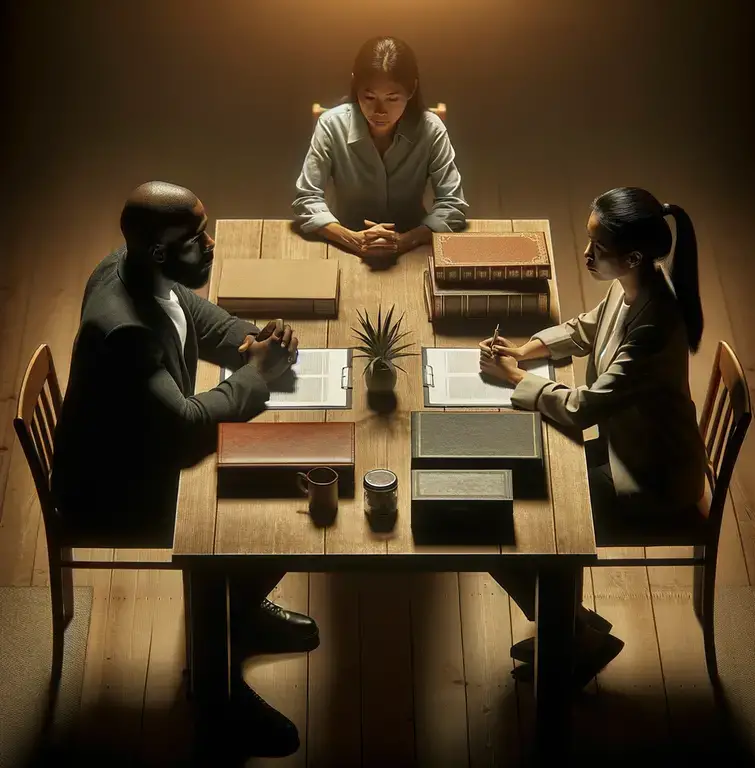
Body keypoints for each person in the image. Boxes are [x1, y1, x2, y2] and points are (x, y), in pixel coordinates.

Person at [51, 181, 315, 756]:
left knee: (299, 485)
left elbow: (195, 317)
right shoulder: (124, 333)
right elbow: (188, 431)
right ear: (158, 252)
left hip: (136, 453)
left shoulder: (134, 269)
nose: (211, 244)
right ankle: (216, 695)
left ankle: (238, 610)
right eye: (195, 239)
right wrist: (257, 376)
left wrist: (252, 340)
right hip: (117, 490)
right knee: (257, 519)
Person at [479, 187, 707, 688]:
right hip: (629, 446)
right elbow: (587, 328)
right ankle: (574, 622)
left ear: (633, 255)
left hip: (650, 477)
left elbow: (584, 409)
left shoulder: (654, 323)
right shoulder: (635, 283)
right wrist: (526, 348)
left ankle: (572, 629)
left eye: (597, 248)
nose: (585, 255)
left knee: (509, 521)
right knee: (508, 489)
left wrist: (517, 379)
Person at [292, 36, 468, 260]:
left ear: (411, 89)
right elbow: (306, 198)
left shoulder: (430, 129)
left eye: (392, 98)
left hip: (413, 246)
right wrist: (352, 239)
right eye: (369, 97)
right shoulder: (331, 125)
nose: (380, 111)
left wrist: (406, 240)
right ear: (356, 86)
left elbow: (453, 203)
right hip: (342, 245)